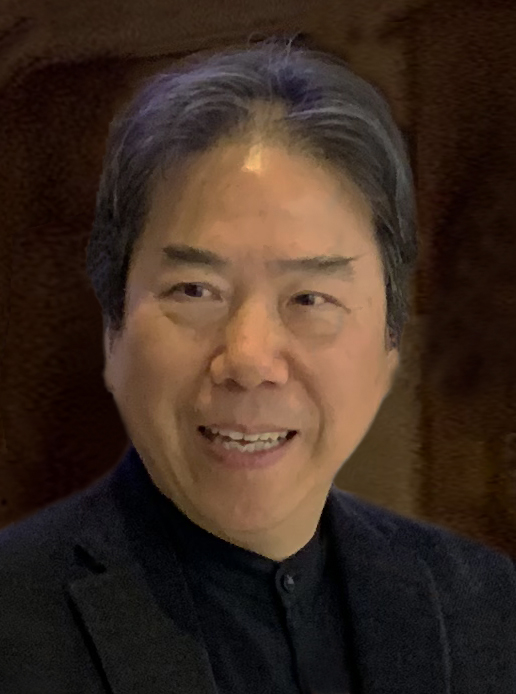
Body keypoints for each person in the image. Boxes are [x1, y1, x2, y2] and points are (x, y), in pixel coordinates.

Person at [1, 35, 515, 694]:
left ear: (390, 344)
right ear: (113, 327)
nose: (248, 359)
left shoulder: (484, 607)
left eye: (310, 298)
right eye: (195, 291)